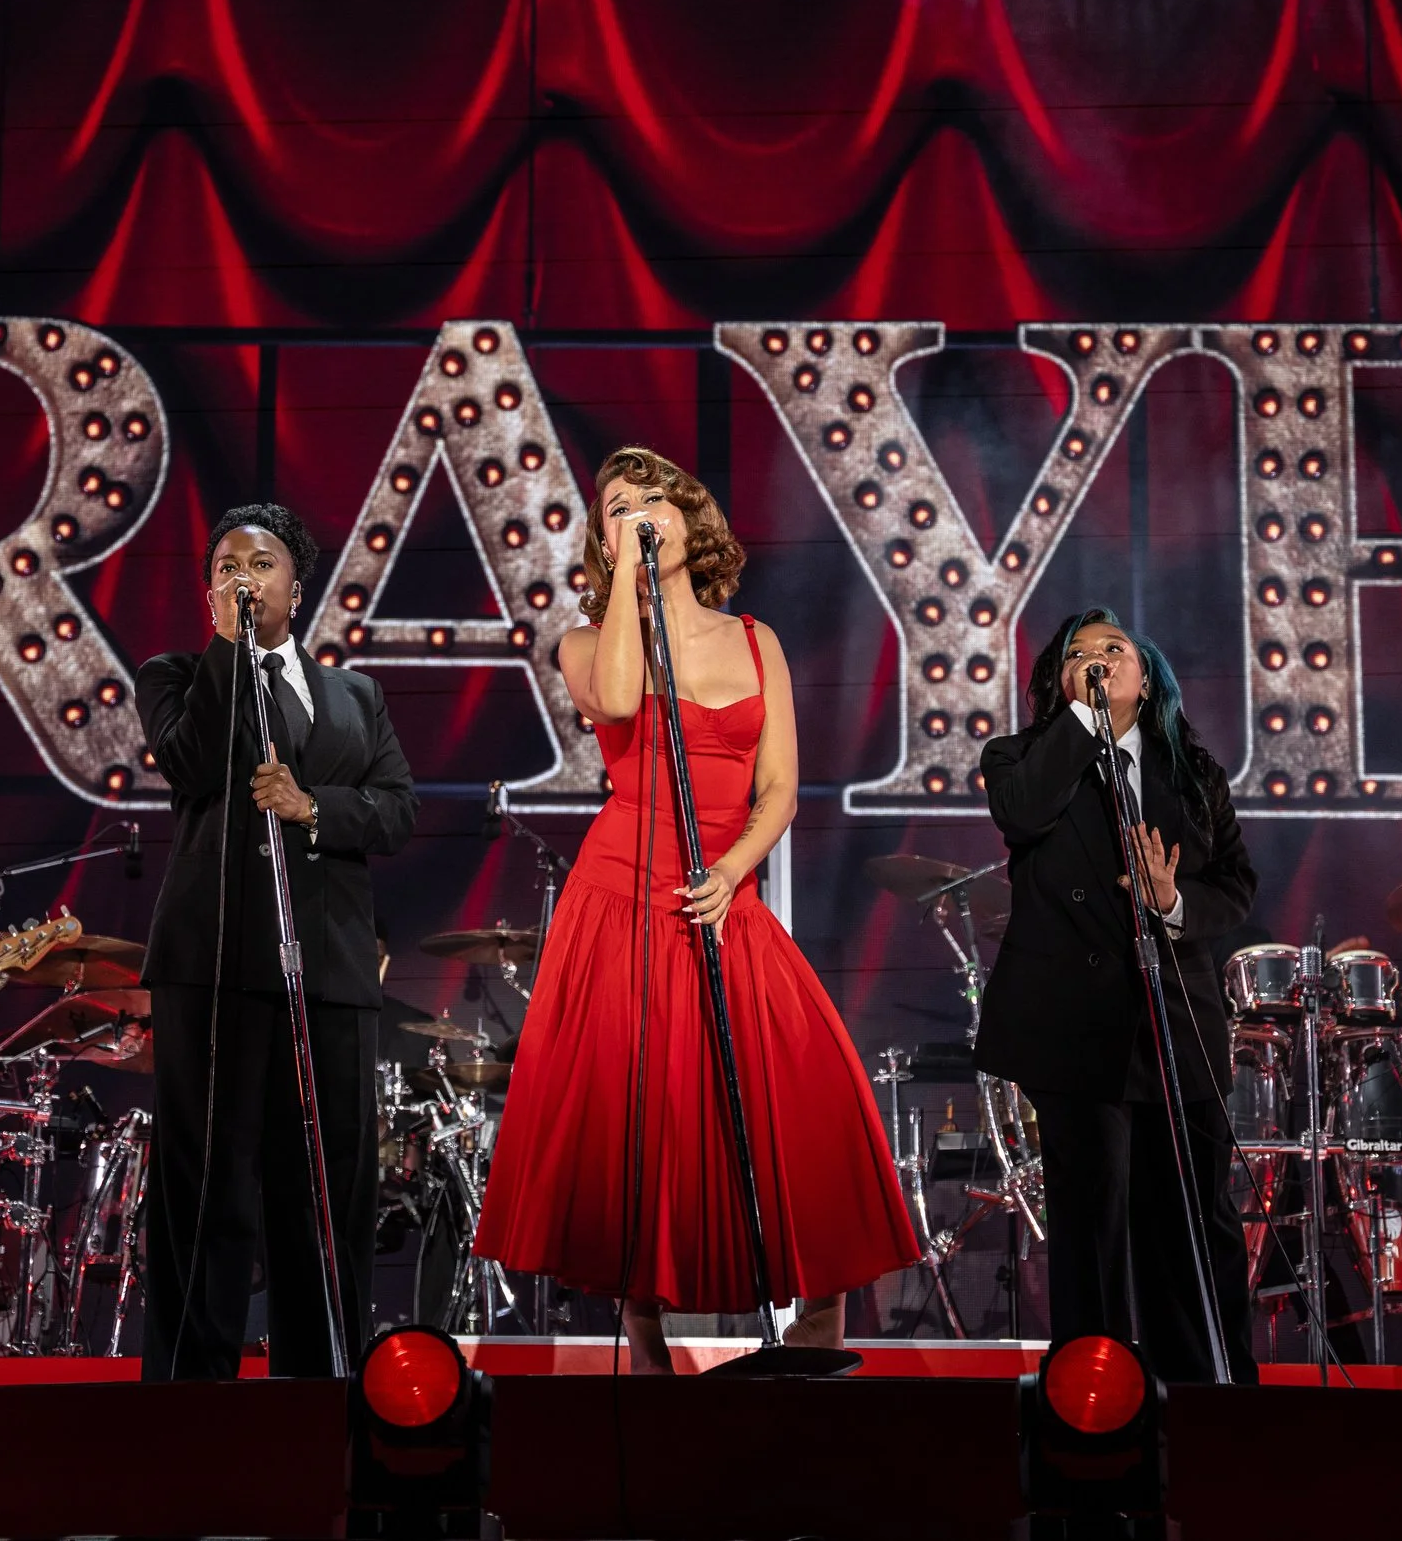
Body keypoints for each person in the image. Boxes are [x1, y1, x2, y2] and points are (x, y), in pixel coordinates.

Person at [473, 446, 917, 1374]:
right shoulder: (585, 642)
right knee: (640, 1104)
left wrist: (735, 868)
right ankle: (643, 1333)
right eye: (616, 506)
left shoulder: (758, 641)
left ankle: (820, 1320)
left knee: (803, 1089)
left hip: (724, 889)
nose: (637, 512)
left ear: (691, 516)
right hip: (622, 893)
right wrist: (626, 574)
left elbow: (783, 788)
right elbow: (626, 697)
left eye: (655, 500)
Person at [137, 503, 418, 1379]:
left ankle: (324, 1381)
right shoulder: (178, 674)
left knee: (326, 1194)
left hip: (327, 968)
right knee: (207, 1183)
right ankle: (193, 1396)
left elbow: (399, 809)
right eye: (224, 566)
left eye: (259, 563)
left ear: (297, 585)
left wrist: (314, 807)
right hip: (213, 964)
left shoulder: (355, 695)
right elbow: (189, 762)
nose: (241, 576)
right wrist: (230, 648)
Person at [976, 608, 1259, 1382]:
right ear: (1059, 680)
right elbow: (1024, 810)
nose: (1099, 660)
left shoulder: (1192, 773)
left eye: (1115, 650)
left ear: (1148, 674)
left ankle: (1208, 1384)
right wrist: (1079, 718)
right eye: (1080, 654)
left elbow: (1235, 884)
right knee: (1092, 1216)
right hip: (1072, 1024)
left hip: (1176, 1017)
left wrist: (1173, 904)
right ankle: (1094, 1396)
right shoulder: (1019, 756)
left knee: (1196, 1216)